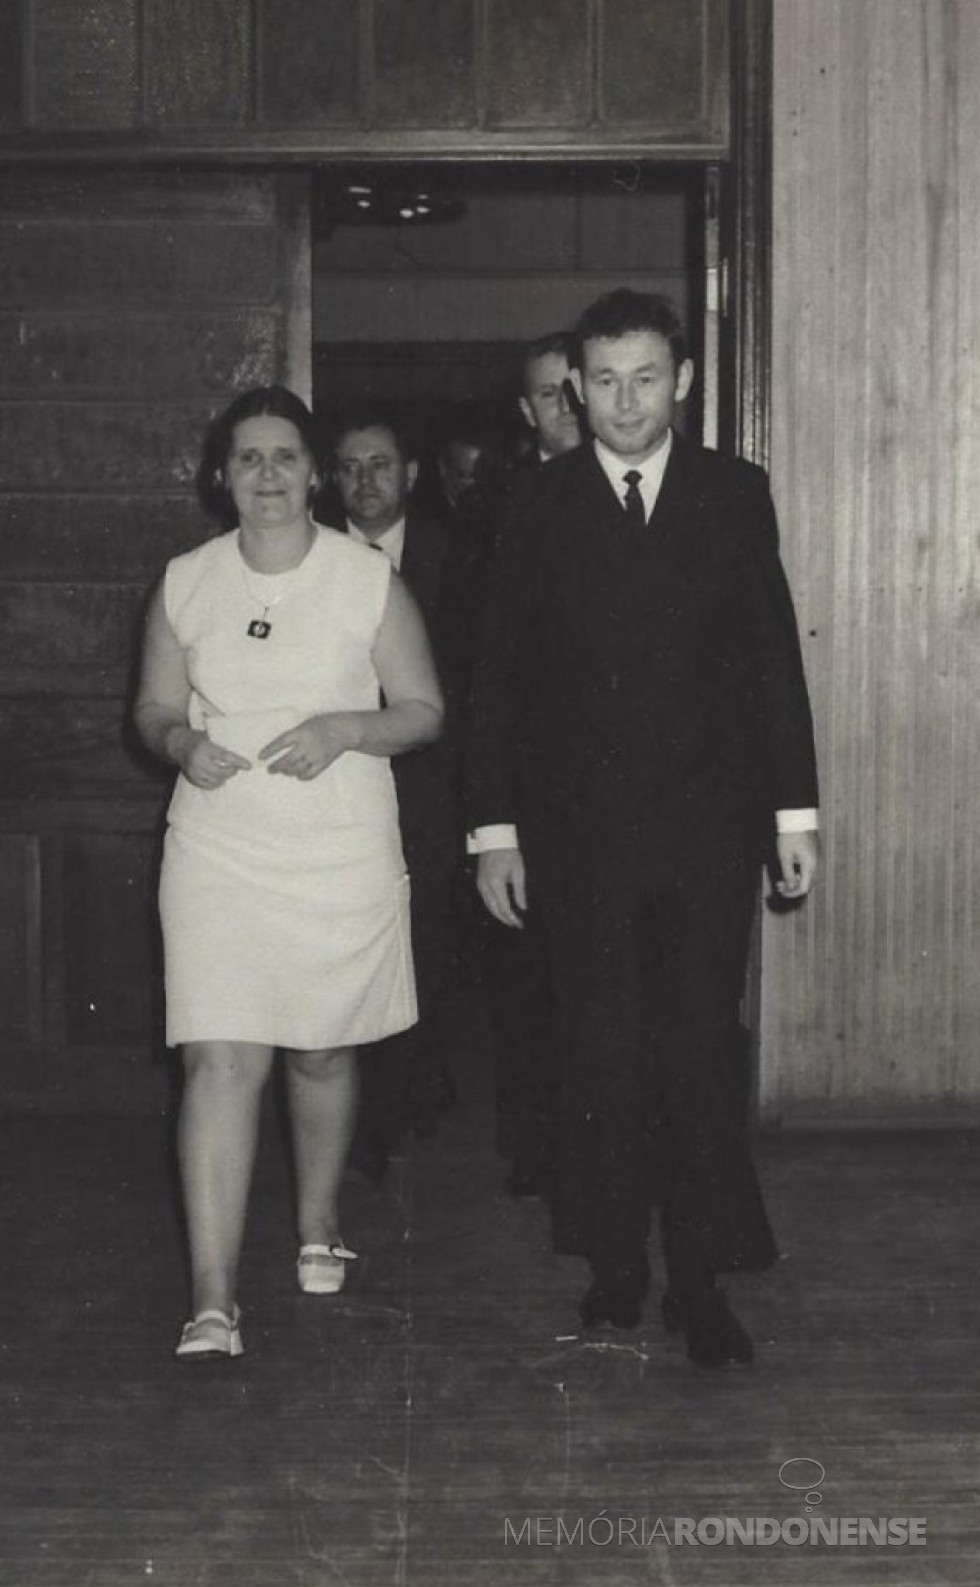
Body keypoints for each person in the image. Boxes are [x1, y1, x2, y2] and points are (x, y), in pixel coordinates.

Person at [466, 289, 819, 1368]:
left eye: (646, 379)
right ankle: (615, 1274)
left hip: (707, 837)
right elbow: (495, 682)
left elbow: (770, 662)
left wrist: (791, 815)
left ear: (684, 381)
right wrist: (493, 832)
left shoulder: (730, 493)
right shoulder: (532, 506)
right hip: (577, 844)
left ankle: (698, 1284)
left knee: (697, 1055)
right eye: (603, 382)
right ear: (573, 387)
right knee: (601, 1056)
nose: (624, 403)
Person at [134, 386, 443, 1360]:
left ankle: (317, 1222)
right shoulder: (185, 581)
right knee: (220, 1060)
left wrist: (346, 728)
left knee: (318, 1049)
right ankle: (213, 1298)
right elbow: (148, 710)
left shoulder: (365, 581)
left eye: (283, 457)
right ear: (221, 477)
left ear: (314, 474)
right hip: (219, 847)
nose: (266, 474)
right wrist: (182, 741)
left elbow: (423, 707)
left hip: (337, 847)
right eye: (247, 457)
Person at [329, 403, 458, 1183]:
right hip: (344, 788)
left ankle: (413, 1091)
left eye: (379, 464)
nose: (364, 481)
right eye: (348, 466)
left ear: (410, 473)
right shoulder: (311, 561)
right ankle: (366, 1122)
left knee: (429, 944)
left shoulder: (457, 554)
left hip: (434, 791)